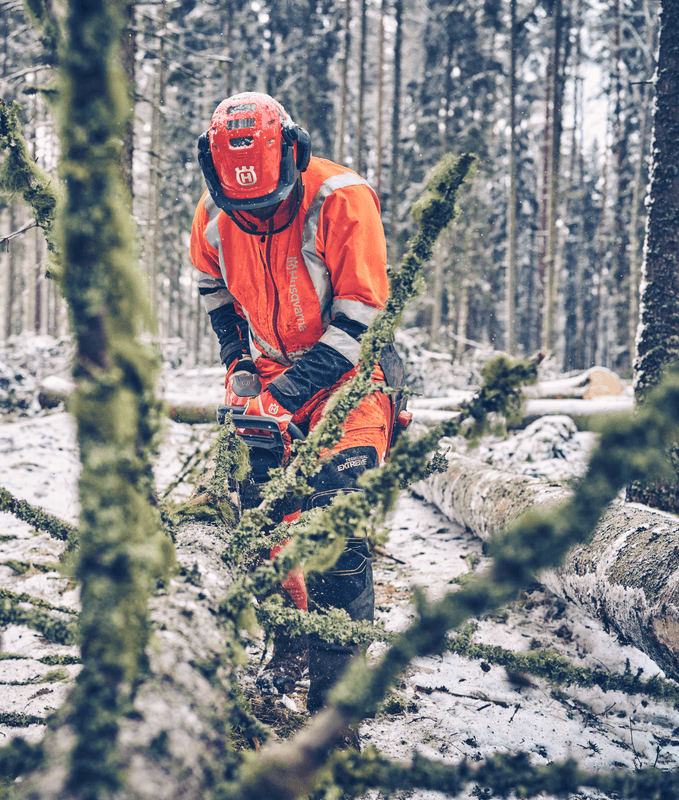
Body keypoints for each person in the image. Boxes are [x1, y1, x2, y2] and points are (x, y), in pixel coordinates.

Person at [189, 91, 395, 714]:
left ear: (292, 157)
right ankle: (291, 645)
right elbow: (212, 285)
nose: (254, 217)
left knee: (339, 532)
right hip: (271, 369)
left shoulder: (341, 200)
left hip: (349, 378)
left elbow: (362, 319)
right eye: (240, 207)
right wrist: (239, 364)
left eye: (267, 205)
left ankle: (336, 716)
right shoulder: (215, 212)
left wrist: (288, 394)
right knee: (264, 520)